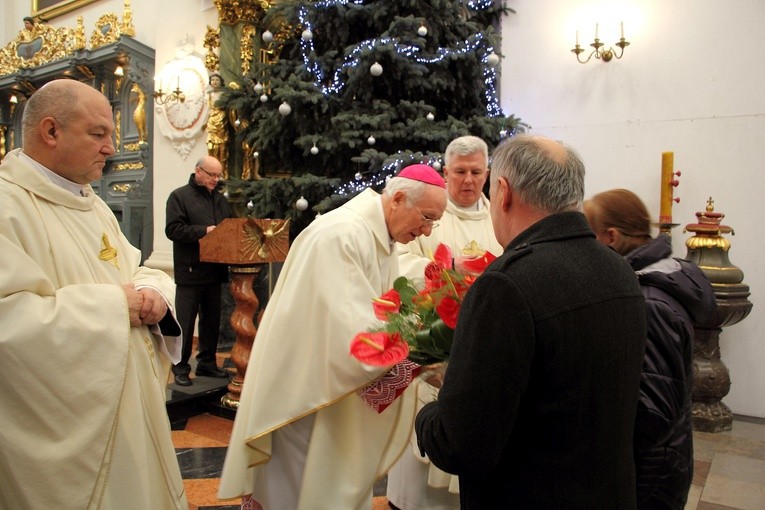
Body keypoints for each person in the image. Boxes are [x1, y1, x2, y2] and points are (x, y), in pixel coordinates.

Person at [415, 134, 648, 508]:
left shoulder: (506, 285)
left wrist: (428, 412)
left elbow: (462, 445)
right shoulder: (619, 270)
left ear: (502, 192)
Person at [0, 79, 186, 508]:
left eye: (112, 136)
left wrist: (152, 292)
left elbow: (134, 268)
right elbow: (10, 321)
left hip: (131, 411)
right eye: (98, 134)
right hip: (71, 438)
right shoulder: (10, 207)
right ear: (51, 132)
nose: (110, 148)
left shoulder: (92, 203)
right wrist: (116, 305)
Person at [218, 164, 448, 509]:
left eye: (434, 222)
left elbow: (380, 315)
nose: (428, 232)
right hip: (304, 401)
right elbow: (349, 334)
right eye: (427, 218)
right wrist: (419, 360)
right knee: (301, 494)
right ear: (398, 198)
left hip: (328, 395)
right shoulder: (342, 234)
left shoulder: (379, 237)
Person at [388, 135, 503, 509]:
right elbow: (398, 264)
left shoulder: (500, 217)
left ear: (487, 173)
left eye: (475, 172)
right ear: (445, 172)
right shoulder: (427, 212)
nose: (468, 180)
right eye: (459, 172)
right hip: (429, 348)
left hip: (480, 350)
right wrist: (448, 272)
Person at [584, 188, 716, 509]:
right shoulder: (650, 281)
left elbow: (653, 408)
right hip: (656, 460)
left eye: (588, 235)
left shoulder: (646, 301)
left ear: (610, 237)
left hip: (649, 470)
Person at [165, 155, 232, 386]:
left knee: (211, 321)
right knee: (185, 322)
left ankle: (207, 363)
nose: (216, 179)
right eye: (212, 174)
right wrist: (204, 231)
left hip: (214, 271)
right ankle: (180, 367)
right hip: (191, 270)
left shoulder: (221, 200)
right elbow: (173, 230)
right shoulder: (179, 197)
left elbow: (228, 228)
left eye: (218, 175)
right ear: (198, 172)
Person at [206, 72, 229, 177]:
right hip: (212, 120)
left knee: (222, 146)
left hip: (221, 118)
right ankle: (211, 170)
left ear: (221, 82)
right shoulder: (208, 95)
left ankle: (222, 171)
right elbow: (207, 110)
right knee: (211, 146)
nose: (214, 82)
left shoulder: (224, 94)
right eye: (213, 80)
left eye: (217, 80)